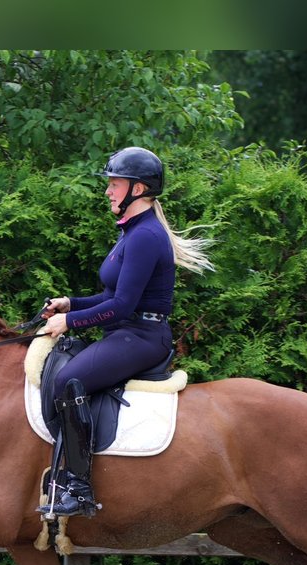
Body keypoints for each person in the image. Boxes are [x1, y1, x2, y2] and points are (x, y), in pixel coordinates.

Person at [37, 146, 213, 518]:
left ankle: (79, 488)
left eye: (114, 184)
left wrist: (68, 323)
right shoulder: (132, 232)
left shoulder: (146, 236)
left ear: (138, 189)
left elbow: (122, 307)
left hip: (143, 338)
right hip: (127, 333)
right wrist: (70, 303)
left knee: (69, 380)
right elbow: (109, 296)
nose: (108, 191)